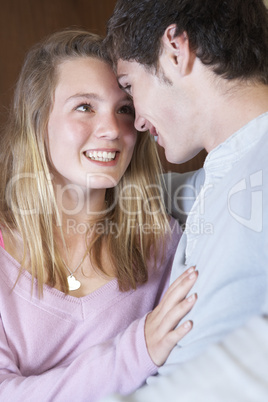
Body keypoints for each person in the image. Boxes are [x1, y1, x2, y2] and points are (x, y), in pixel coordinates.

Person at [0, 29, 199, 401]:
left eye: (124, 109)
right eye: (84, 107)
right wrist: (136, 350)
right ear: (38, 120)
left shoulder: (163, 243)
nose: (112, 130)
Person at [102, 0, 268, 399]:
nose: (138, 121)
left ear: (176, 50)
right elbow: (148, 192)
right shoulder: (227, 169)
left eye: (129, 86)